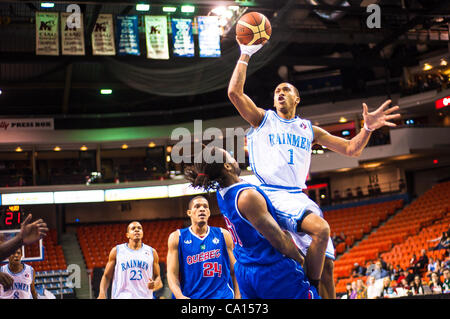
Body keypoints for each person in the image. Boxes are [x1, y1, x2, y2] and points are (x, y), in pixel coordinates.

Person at [227, 39, 401, 299]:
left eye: (286, 89)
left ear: (298, 98)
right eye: (277, 91)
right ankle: (308, 289)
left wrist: (367, 129)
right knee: (321, 230)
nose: (280, 93)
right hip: (272, 194)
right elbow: (234, 94)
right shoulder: (263, 119)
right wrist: (245, 53)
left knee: (329, 266)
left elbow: (352, 150)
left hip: (298, 196)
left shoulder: (309, 129)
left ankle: (316, 287)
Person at [183, 145, 318, 299]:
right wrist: (300, 259)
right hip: (270, 270)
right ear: (227, 166)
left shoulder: (222, 192)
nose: (235, 159)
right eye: (231, 156)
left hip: (245, 270)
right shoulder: (247, 196)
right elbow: (278, 239)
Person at [167, 196, 239, 299]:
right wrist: (179, 296)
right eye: (197, 206)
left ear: (209, 212)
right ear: (189, 213)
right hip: (191, 296)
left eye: (205, 206)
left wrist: (237, 296)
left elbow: (235, 270)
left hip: (223, 296)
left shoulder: (223, 235)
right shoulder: (177, 237)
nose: (202, 209)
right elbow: (172, 274)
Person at [98, 221, 162, 299]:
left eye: (139, 228)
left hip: (145, 296)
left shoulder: (152, 252)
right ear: (127, 235)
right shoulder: (117, 251)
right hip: (121, 296)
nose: (137, 230)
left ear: (142, 233)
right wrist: (102, 293)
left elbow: (158, 277)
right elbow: (107, 276)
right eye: (133, 228)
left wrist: (155, 284)